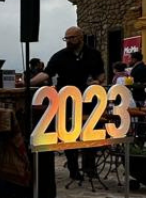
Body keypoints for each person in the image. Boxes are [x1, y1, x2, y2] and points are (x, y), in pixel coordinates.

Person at [32, 25, 105, 182]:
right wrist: (28, 83)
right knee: (67, 134)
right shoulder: (60, 56)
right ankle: (73, 169)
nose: (68, 41)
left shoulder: (93, 54)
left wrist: (98, 81)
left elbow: (100, 73)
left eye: (71, 38)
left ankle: (90, 167)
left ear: (80, 37)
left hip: (88, 99)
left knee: (90, 132)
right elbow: (47, 73)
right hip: (66, 100)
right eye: (66, 38)